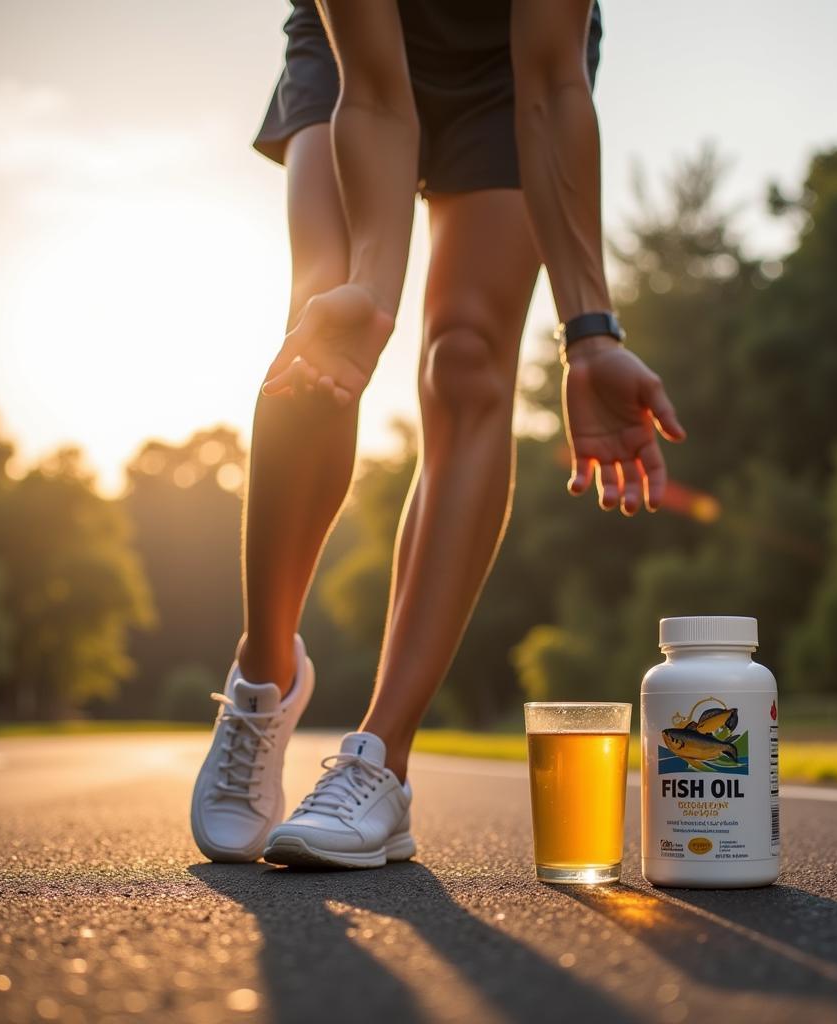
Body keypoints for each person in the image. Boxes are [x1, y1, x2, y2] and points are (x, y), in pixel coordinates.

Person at [191, 0, 685, 868]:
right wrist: (370, 298)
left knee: (465, 359)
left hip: (512, 71)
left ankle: (381, 761)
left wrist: (591, 333)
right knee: (323, 329)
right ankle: (265, 675)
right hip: (357, 61)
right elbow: (377, 97)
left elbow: (552, 84)